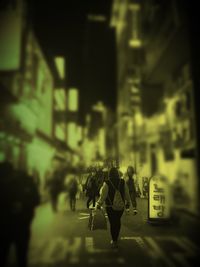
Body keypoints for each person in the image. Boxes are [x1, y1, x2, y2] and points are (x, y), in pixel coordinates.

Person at [0, 162, 40, 267]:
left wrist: (22, 205)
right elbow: (36, 199)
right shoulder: (26, 180)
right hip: (20, 225)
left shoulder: (25, 181)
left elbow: (36, 199)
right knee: (21, 256)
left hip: (13, 226)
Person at [95, 167, 131, 248]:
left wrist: (98, 204)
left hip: (110, 207)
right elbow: (127, 193)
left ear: (109, 174)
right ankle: (116, 237)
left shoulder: (107, 183)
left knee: (112, 223)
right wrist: (128, 202)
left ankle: (114, 240)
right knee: (117, 221)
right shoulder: (122, 182)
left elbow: (103, 196)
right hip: (120, 206)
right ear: (117, 174)